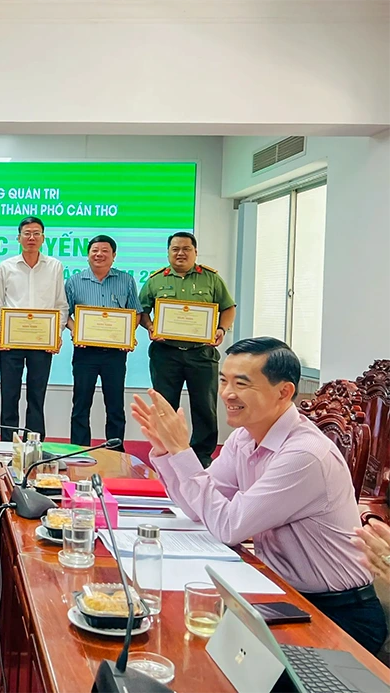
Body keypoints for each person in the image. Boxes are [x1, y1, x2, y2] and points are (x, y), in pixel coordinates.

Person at [132, 337, 387, 654]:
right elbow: (198, 509)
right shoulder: (244, 438)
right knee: (175, 635)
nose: (227, 393)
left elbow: (229, 526)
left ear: (284, 392)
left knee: (200, 655)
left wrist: (183, 452)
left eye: (242, 384)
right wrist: (167, 451)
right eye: (223, 381)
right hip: (280, 594)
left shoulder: (305, 455)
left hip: (337, 615)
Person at [138, 231, 236, 466]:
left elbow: (228, 307)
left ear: (195, 252)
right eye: (175, 249)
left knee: (204, 406)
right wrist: (150, 327)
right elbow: (142, 310)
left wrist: (221, 329)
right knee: (165, 406)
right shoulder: (156, 280)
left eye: (186, 249)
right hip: (166, 353)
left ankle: (202, 456)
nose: (180, 253)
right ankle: (166, 452)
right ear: (168, 252)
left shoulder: (211, 279)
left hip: (201, 353)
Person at [0, 217, 68, 440]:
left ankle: (34, 445)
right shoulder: (6, 267)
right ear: (19, 238)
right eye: (27, 233)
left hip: (42, 342)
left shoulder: (55, 266)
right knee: (9, 395)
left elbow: (61, 305)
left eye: (36, 233)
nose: (31, 237)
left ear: (43, 238)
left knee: (37, 396)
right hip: (11, 341)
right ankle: (8, 444)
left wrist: (56, 334)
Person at [64, 235, 140, 451]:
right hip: (85, 353)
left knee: (115, 405)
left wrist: (127, 335)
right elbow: (65, 314)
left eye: (105, 251)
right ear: (88, 254)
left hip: (115, 353)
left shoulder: (126, 280)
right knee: (81, 404)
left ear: (113, 255)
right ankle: (78, 450)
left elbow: (135, 313)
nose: (99, 254)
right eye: (95, 250)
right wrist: (75, 330)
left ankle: (115, 451)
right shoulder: (74, 281)